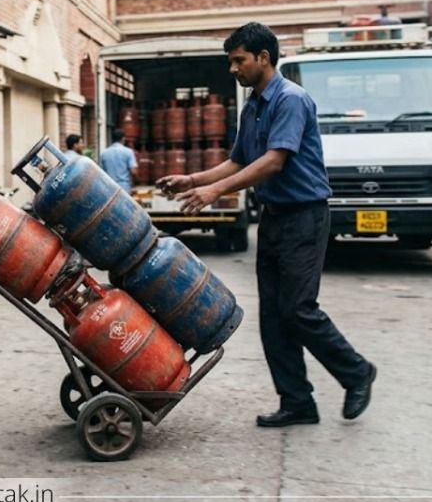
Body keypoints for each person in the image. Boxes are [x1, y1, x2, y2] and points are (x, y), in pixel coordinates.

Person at [157, 22, 375, 427]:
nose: (233, 69)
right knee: (274, 318)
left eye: (238, 60)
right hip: (274, 219)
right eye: (231, 61)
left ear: (263, 58)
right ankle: (297, 402)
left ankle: (356, 371)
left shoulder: (291, 100)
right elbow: (239, 160)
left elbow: (275, 160)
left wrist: (214, 193)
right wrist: (192, 181)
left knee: (298, 309)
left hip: (305, 217)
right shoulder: (252, 105)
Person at [99, 128, 138, 193]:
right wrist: (134, 184)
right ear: (123, 138)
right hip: (124, 187)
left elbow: (101, 172)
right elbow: (134, 172)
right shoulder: (128, 152)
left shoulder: (104, 153)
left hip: (109, 187)